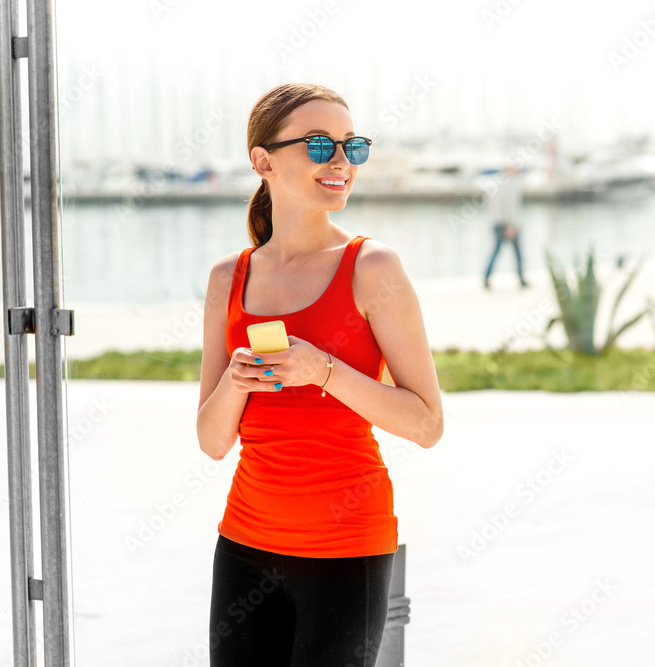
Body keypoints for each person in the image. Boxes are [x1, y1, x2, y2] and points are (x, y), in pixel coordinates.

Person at [196, 83, 443, 666]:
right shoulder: (226, 277)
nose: (340, 161)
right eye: (318, 144)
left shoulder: (372, 266)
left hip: (347, 549)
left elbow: (427, 424)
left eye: (351, 147)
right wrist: (234, 382)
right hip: (244, 544)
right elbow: (211, 442)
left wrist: (324, 370)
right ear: (263, 161)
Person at [483, 162, 529, 289]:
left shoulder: (495, 183)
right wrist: (510, 225)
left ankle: (486, 278)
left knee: (496, 251)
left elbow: (487, 204)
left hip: (496, 222)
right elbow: (510, 208)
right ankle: (521, 279)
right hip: (508, 224)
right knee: (517, 253)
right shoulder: (511, 185)